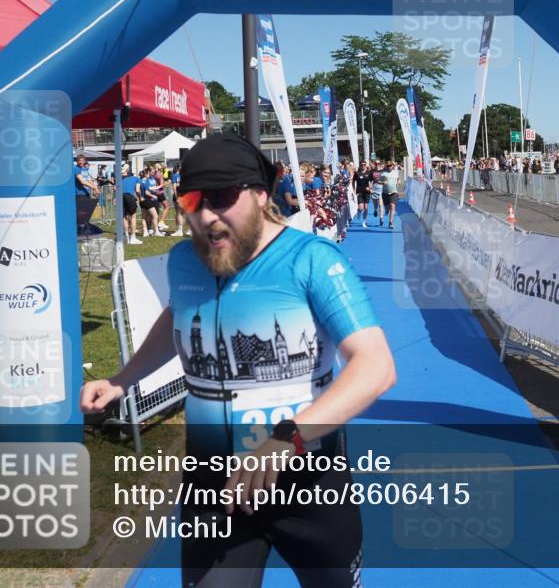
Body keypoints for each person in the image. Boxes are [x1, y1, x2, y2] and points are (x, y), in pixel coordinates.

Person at [79, 134, 395, 587]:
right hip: (213, 488)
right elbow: (179, 320)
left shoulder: (312, 260)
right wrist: (122, 379)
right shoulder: (184, 260)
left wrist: (290, 436)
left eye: (223, 198)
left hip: (310, 486)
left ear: (261, 196)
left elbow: (376, 366)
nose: (206, 215)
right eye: (191, 200)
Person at [121, 165, 143, 245]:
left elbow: (115, 189)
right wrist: (140, 198)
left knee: (124, 217)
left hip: (121, 196)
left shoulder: (121, 179)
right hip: (129, 197)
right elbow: (137, 190)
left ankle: (126, 236)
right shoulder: (136, 179)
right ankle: (133, 237)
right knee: (133, 216)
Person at [380, 161, 400, 229]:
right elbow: (378, 181)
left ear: (392, 166)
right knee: (387, 208)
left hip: (394, 192)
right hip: (385, 193)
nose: (389, 167)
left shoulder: (395, 173)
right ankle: (386, 210)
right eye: (388, 166)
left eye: (390, 165)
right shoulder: (383, 174)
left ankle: (390, 223)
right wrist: (383, 182)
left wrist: (398, 181)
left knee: (392, 206)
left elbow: (397, 179)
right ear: (386, 166)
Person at [170, 165, 188, 237]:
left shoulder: (175, 176)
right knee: (182, 213)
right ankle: (180, 229)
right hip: (185, 195)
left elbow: (174, 187)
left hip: (179, 195)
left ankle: (179, 230)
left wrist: (177, 197)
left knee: (179, 213)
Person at [353, 163, 371, 227]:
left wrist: (370, 187)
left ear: (366, 166)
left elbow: (372, 181)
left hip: (367, 192)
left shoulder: (369, 173)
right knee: (360, 208)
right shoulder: (357, 173)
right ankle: (359, 212)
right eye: (361, 165)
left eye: (364, 165)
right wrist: (354, 189)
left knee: (366, 208)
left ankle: (364, 221)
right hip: (359, 192)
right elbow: (353, 181)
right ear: (359, 166)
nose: (363, 166)